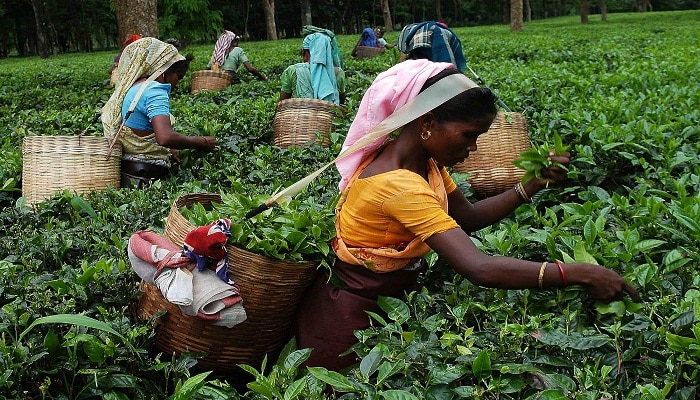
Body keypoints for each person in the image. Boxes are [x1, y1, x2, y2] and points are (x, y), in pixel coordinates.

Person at [294, 59, 640, 372]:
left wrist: (531, 185)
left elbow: (468, 217)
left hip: (383, 303)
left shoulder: (422, 164)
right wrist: (579, 273)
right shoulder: (398, 185)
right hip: (347, 322)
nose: (472, 149)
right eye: (468, 136)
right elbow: (480, 268)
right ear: (427, 123)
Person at [101, 37, 216, 189]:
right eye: (178, 76)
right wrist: (202, 142)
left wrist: (171, 148)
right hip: (149, 174)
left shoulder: (131, 88)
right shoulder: (155, 90)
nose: (176, 83)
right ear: (163, 71)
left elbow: (143, 128)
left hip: (127, 172)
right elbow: (165, 137)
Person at [279, 32, 346, 105]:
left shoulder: (293, 70)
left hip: (298, 115)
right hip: (328, 115)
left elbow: (282, 104)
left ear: (303, 52)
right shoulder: (338, 72)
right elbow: (341, 102)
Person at [397, 21, 467, 72]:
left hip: (418, 43)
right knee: (447, 68)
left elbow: (404, 55)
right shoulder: (440, 32)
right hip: (426, 39)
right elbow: (449, 58)